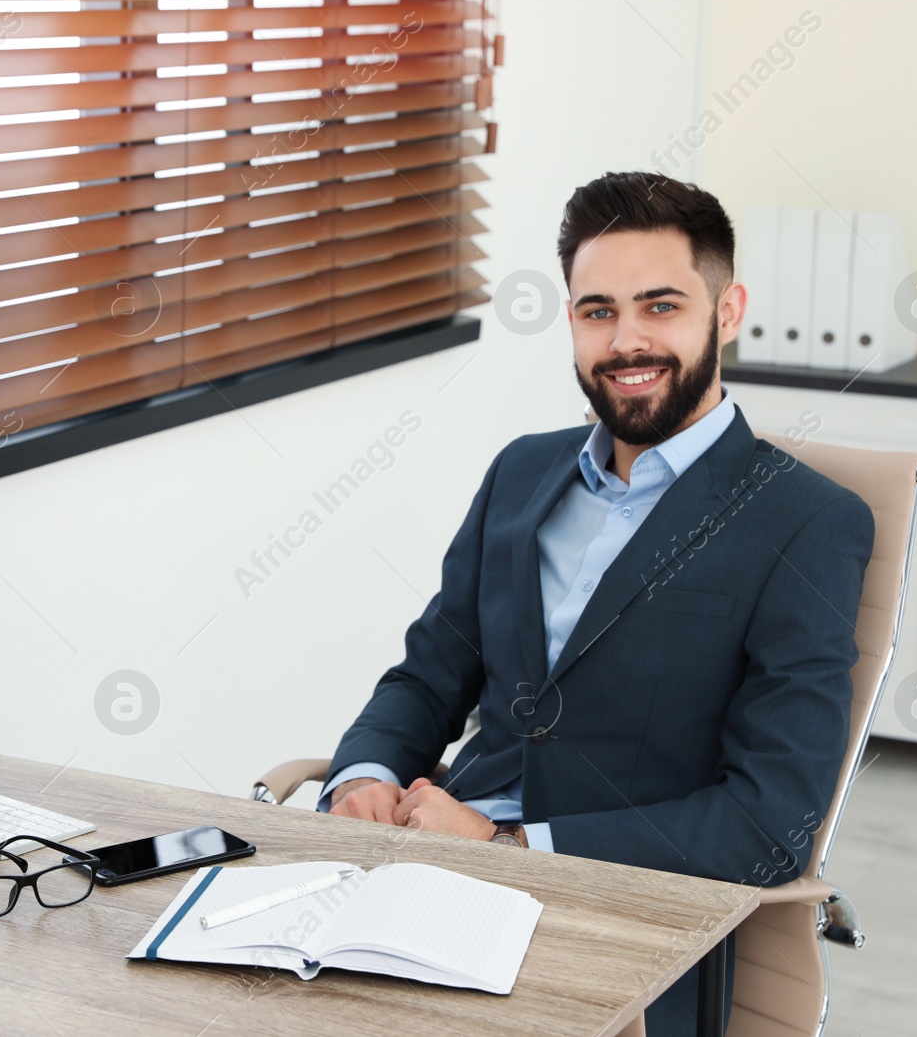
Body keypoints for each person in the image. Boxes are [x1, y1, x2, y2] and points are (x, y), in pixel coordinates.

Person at [320, 171, 874, 1035]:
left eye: (661, 306)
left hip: (613, 928)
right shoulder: (521, 472)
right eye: (598, 311)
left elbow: (771, 824)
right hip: (423, 873)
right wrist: (364, 775)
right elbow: (429, 674)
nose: (627, 341)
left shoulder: (806, 522)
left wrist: (505, 848)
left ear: (726, 313)